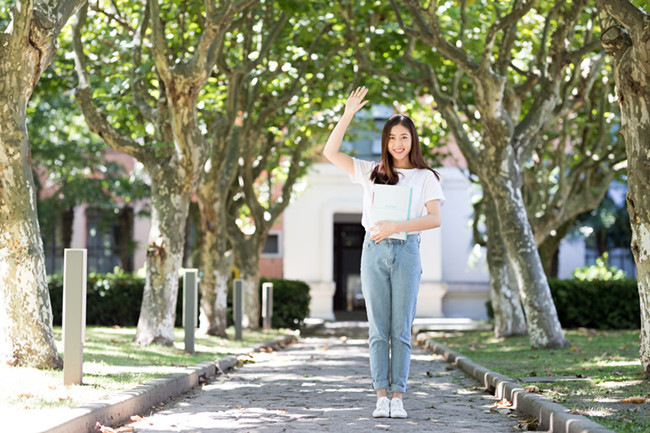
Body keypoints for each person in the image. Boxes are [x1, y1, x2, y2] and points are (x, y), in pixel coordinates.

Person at [322, 86, 445, 419]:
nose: (397, 144)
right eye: (391, 138)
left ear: (412, 140)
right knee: (378, 328)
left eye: (403, 137)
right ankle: (381, 396)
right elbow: (330, 152)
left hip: (406, 251)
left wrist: (396, 226)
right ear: (385, 142)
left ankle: (398, 397)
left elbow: (435, 219)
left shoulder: (426, 177)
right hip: (373, 251)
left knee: (401, 329)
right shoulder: (371, 172)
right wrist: (347, 113)